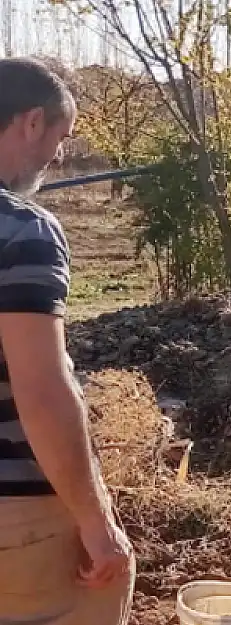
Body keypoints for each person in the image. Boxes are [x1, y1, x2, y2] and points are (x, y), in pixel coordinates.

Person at [0, 58, 135, 625]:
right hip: (19, 515)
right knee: (104, 585)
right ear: (32, 122)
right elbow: (43, 391)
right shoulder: (23, 232)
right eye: (61, 135)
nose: (59, 155)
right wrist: (98, 522)